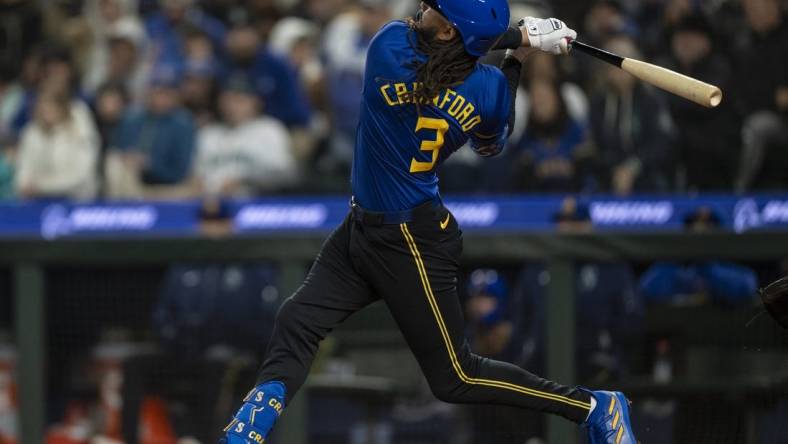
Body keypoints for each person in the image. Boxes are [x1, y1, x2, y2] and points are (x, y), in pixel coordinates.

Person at [220, 2, 637, 444]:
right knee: (297, 319)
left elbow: (453, 50)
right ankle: (250, 428)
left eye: (434, 12)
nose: (421, 12)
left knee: (457, 377)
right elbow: (492, 143)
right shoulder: (488, 87)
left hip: (411, 242)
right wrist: (517, 57)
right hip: (365, 228)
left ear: (448, 34)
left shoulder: (389, 47)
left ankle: (593, 406)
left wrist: (520, 38)